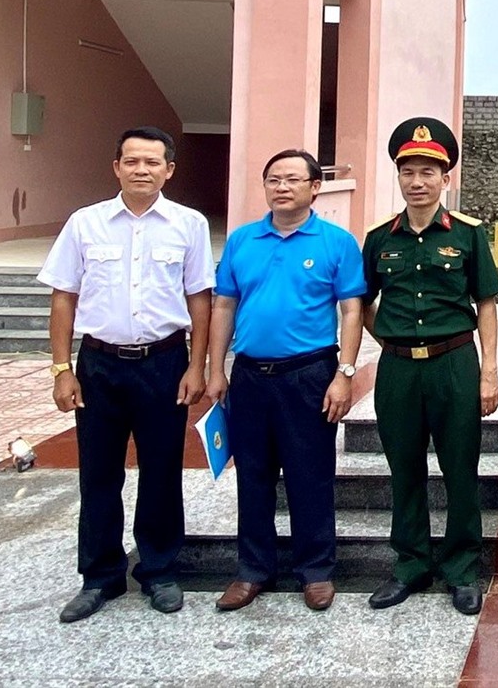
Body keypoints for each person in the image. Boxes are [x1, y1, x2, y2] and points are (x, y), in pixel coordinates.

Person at [41, 126, 213, 622]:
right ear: (116, 167)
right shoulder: (84, 223)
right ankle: (100, 577)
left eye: (152, 162)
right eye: (132, 161)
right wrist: (62, 369)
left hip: (163, 364)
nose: (142, 170)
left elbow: (199, 298)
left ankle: (158, 571)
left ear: (169, 170)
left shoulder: (189, 224)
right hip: (98, 366)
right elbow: (63, 297)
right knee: (98, 474)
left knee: (161, 471)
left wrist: (196, 366)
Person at [205, 150, 366, 612]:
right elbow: (223, 306)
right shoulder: (242, 241)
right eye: (273, 178)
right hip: (252, 375)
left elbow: (352, 309)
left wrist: (345, 373)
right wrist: (217, 368)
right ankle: (253, 570)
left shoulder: (336, 242)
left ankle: (315, 570)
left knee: (309, 476)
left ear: (315, 187)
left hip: (310, 375)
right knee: (252, 476)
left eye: (293, 179)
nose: (282, 187)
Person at [362, 117, 498, 614]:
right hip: (398, 370)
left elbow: (486, 303)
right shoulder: (380, 238)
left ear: (447, 179)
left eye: (428, 172)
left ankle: (463, 568)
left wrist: (489, 372)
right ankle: (411, 564)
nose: (417, 182)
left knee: (460, 468)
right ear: (398, 177)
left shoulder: (467, 235)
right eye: (408, 172)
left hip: (454, 364)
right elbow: (361, 302)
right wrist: (391, 339)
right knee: (404, 469)